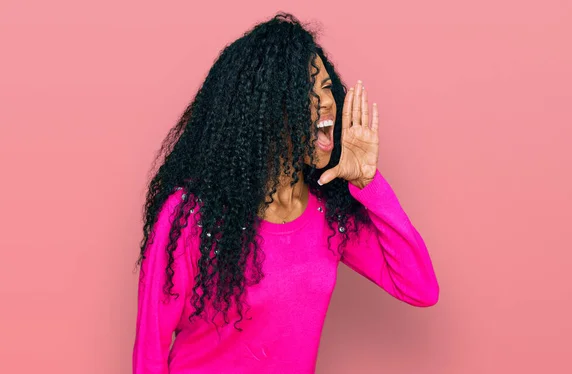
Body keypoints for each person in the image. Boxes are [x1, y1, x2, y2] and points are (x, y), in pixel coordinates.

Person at [132, 12, 439, 374]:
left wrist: (368, 184)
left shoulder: (328, 214)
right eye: (305, 91)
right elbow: (150, 351)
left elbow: (420, 288)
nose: (325, 101)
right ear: (262, 110)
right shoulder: (190, 215)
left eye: (326, 86)